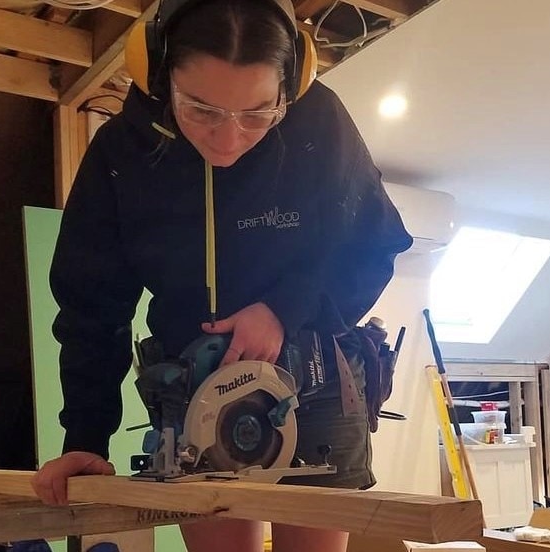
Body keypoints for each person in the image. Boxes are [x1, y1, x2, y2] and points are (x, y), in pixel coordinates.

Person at [31, 0, 412, 551]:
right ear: (160, 76)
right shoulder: (123, 151)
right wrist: (84, 437)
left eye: (259, 113)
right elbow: (93, 307)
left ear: (290, 87)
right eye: (202, 110)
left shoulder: (318, 123)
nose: (229, 139)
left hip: (319, 378)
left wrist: (284, 310)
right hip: (193, 381)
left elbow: (373, 245)